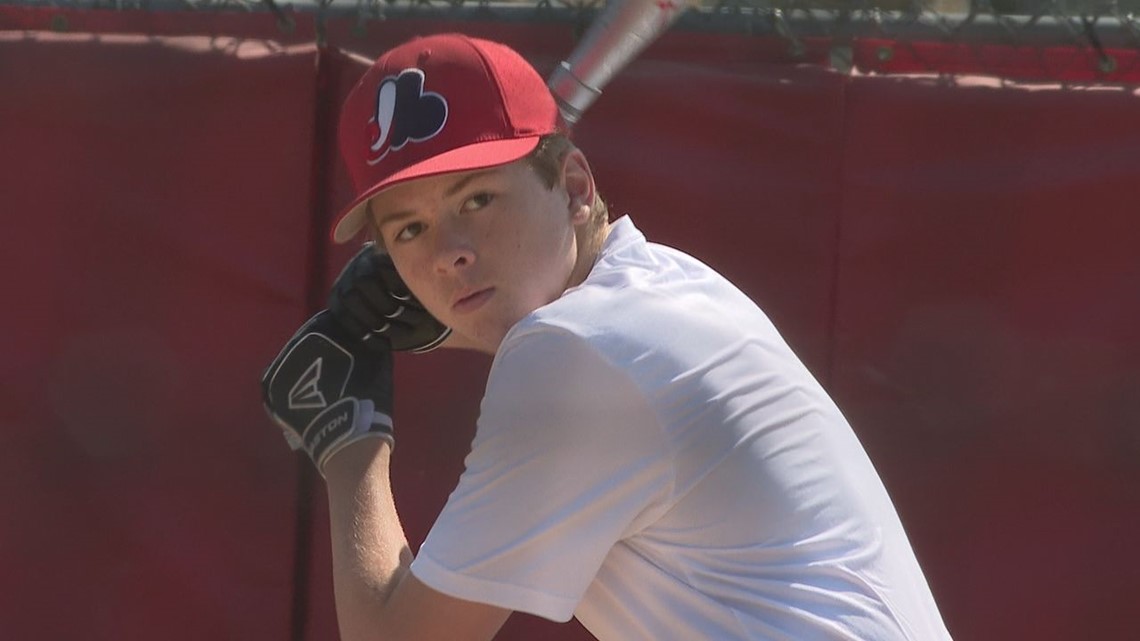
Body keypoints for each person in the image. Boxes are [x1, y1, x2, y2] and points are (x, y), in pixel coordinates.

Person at [261, 33, 953, 641]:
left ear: (573, 185)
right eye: (411, 229)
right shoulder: (665, 286)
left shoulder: (572, 355)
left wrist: (349, 442)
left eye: (477, 199)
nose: (450, 253)